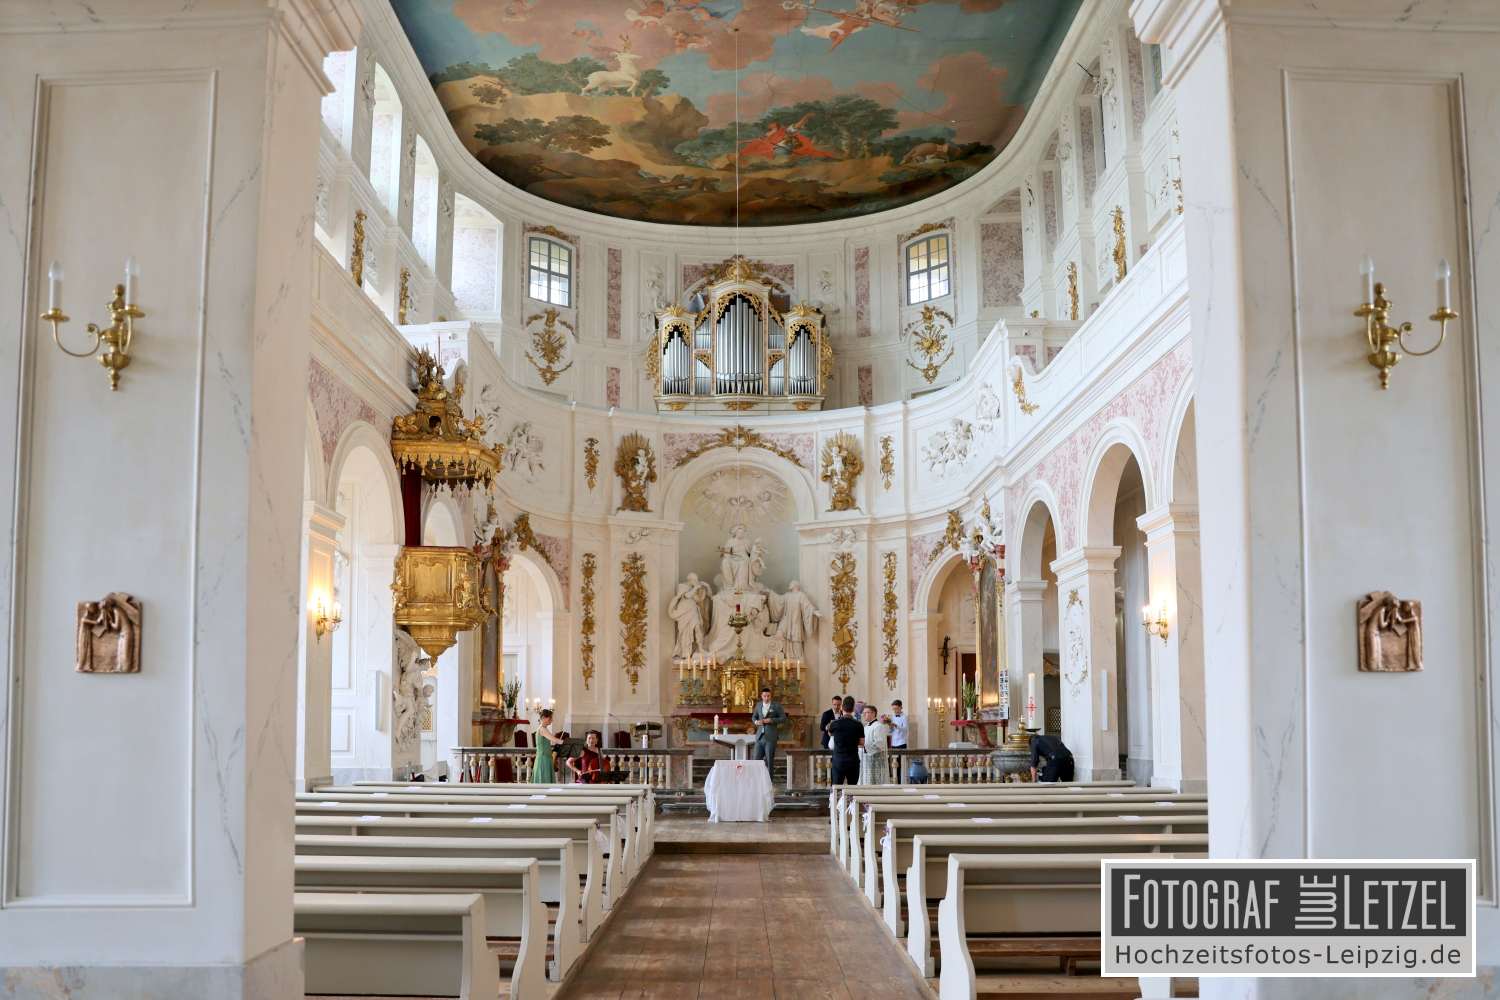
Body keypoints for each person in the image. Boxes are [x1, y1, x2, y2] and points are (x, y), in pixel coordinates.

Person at [750, 686, 787, 779]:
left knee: (769, 760)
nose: (766, 698)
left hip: (771, 737)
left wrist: (772, 720)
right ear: (761, 696)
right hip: (760, 737)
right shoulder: (758, 705)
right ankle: (756, 779)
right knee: (756, 759)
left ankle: (769, 781)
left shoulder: (776, 706)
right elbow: (754, 716)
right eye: (764, 696)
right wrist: (756, 722)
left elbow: (783, 718)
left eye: (768, 696)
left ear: (771, 696)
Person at [827, 695, 864, 785]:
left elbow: (830, 734)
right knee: (852, 787)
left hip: (839, 760)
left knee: (837, 787)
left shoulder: (834, 724)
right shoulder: (858, 724)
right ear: (853, 709)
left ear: (842, 707)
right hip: (853, 760)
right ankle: (851, 799)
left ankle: (837, 799)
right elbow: (862, 743)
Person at [859, 704, 892, 785]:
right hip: (866, 760)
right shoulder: (866, 727)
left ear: (873, 713)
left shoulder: (878, 726)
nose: (864, 715)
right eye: (863, 713)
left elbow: (879, 744)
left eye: (866, 712)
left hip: (876, 761)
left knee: (874, 783)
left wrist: (864, 746)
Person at [532, 708, 563, 784]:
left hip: (546, 758)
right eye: (550, 718)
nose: (551, 720)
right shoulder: (542, 729)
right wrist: (566, 742)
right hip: (543, 759)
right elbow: (555, 740)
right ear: (543, 718)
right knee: (544, 781)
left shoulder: (544, 728)